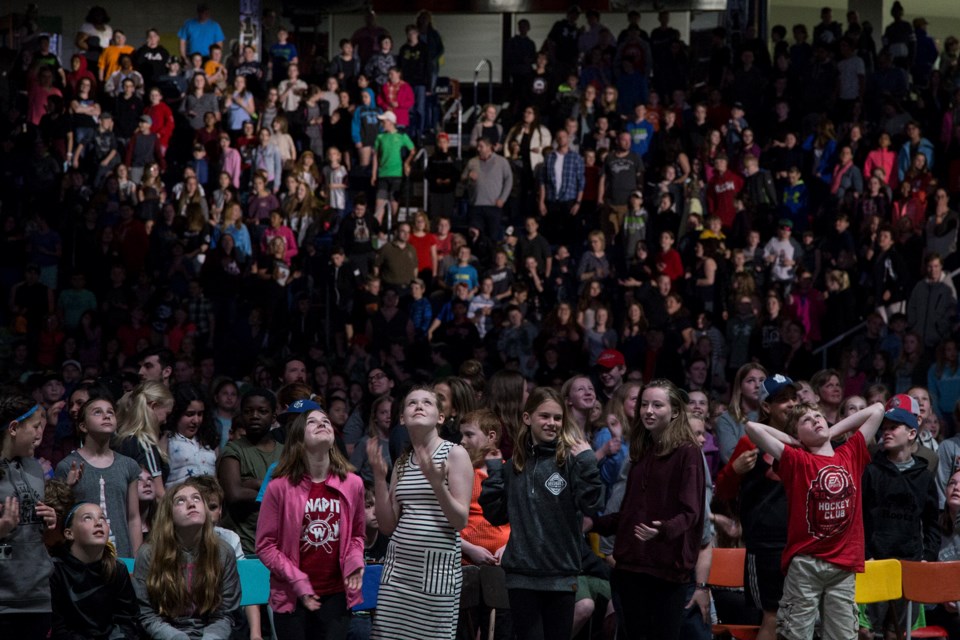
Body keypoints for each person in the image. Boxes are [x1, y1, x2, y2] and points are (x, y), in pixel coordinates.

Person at [745, 402, 885, 640]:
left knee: (842, 635)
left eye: (819, 416)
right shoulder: (796, 461)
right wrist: (793, 441)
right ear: (798, 434)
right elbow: (752, 427)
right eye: (806, 421)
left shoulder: (850, 453)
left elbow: (878, 409)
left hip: (843, 566)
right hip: (806, 565)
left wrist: (831, 430)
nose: (816, 420)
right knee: (795, 634)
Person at [479, 387, 601, 640]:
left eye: (557, 418)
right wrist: (494, 472)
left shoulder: (570, 461)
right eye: (544, 416)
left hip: (561, 575)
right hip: (522, 576)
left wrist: (589, 463)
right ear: (527, 418)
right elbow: (496, 515)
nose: (552, 423)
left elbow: (591, 505)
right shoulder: (514, 464)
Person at [593, 379, 706, 639]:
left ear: (675, 411)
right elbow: (632, 512)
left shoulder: (687, 452)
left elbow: (691, 512)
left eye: (657, 405)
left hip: (666, 569)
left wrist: (663, 530)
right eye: (644, 404)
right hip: (632, 566)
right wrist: (597, 524)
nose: (648, 411)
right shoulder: (642, 451)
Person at [366, 386, 472, 640]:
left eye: (427, 402)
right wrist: (380, 479)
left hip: (436, 569)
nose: (419, 406)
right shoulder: (403, 461)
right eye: (412, 403)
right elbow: (388, 526)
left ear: (440, 417)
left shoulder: (454, 454)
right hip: (398, 569)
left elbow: (460, 521)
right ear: (402, 418)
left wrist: (438, 485)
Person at [256, 408, 365, 640]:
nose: (322, 423)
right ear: (297, 438)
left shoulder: (353, 483)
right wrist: (297, 579)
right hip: (292, 596)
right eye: (312, 422)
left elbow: (357, 535)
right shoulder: (279, 487)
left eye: (326, 420)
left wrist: (355, 561)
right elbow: (265, 546)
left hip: (336, 595)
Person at [860, 396, 940, 638]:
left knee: (898, 632)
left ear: (912, 434)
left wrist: (928, 557)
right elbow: (860, 517)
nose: (886, 432)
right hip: (875, 562)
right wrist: (866, 555)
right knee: (866, 632)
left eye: (893, 427)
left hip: (909, 563)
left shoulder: (924, 475)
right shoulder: (871, 470)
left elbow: (932, 523)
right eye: (884, 428)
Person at [132, 478, 240, 639]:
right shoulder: (149, 554)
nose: (191, 504)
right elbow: (147, 615)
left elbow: (224, 614)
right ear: (168, 515)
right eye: (181, 501)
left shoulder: (223, 552)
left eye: (197, 498)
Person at [0, 397, 59, 637]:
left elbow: (41, 532)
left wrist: (51, 518)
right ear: (14, 428)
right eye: (35, 427)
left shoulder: (35, 467)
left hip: (37, 593)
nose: (39, 434)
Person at [56, 397, 142, 558]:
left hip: (121, 555)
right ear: (83, 426)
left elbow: (133, 517)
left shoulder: (128, 465)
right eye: (98, 412)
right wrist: (67, 487)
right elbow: (61, 517)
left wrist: (136, 558)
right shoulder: (67, 466)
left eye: (110, 412)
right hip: (82, 557)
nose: (106, 416)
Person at [50, 502, 139, 639]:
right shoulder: (55, 571)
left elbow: (128, 620)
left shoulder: (118, 569)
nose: (98, 523)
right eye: (87, 518)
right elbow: (58, 628)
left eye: (102, 518)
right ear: (69, 533)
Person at [218, 388, 283, 555]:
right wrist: (272, 488)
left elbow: (295, 494)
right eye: (248, 411)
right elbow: (234, 494)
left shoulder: (286, 452)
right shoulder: (233, 450)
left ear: (273, 417)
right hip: (244, 543)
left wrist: (252, 484)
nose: (254, 416)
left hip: (279, 543)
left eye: (262, 411)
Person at [371, 111, 415, 227]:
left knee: (394, 204)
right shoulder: (380, 137)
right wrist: (374, 174)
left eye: (384, 121)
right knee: (379, 204)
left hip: (396, 174)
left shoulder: (401, 136)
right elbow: (375, 155)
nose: (382, 124)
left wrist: (407, 163)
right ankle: (377, 230)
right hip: (383, 175)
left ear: (390, 122)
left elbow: (412, 150)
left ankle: (394, 229)